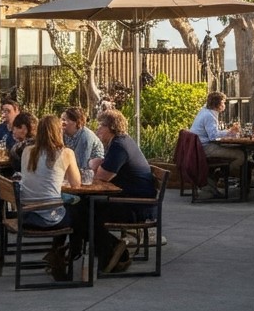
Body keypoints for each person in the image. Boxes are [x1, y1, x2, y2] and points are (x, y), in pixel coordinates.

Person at [73, 110, 155, 275]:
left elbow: (102, 177)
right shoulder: (118, 142)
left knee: (84, 213)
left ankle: (110, 251)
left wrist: (93, 164)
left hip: (136, 206)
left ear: (111, 127)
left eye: (101, 126)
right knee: (82, 209)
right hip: (128, 199)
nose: (97, 130)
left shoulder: (119, 146)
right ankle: (108, 250)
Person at [19, 114, 81, 281]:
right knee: (81, 213)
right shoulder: (65, 153)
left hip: (25, 214)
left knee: (67, 209)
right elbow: (76, 184)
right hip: (48, 217)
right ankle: (69, 255)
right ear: (57, 131)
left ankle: (57, 252)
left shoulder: (27, 151)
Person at [189, 92, 245, 177]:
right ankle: (219, 175)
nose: (224, 104)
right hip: (205, 148)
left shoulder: (205, 110)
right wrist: (230, 131)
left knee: (236, 149)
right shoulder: (209, 116)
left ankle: (219, 175)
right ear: (217, 104)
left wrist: (228, 132)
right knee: (241, 155)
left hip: (199, 146)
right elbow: (213, 136)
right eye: (223, 102)